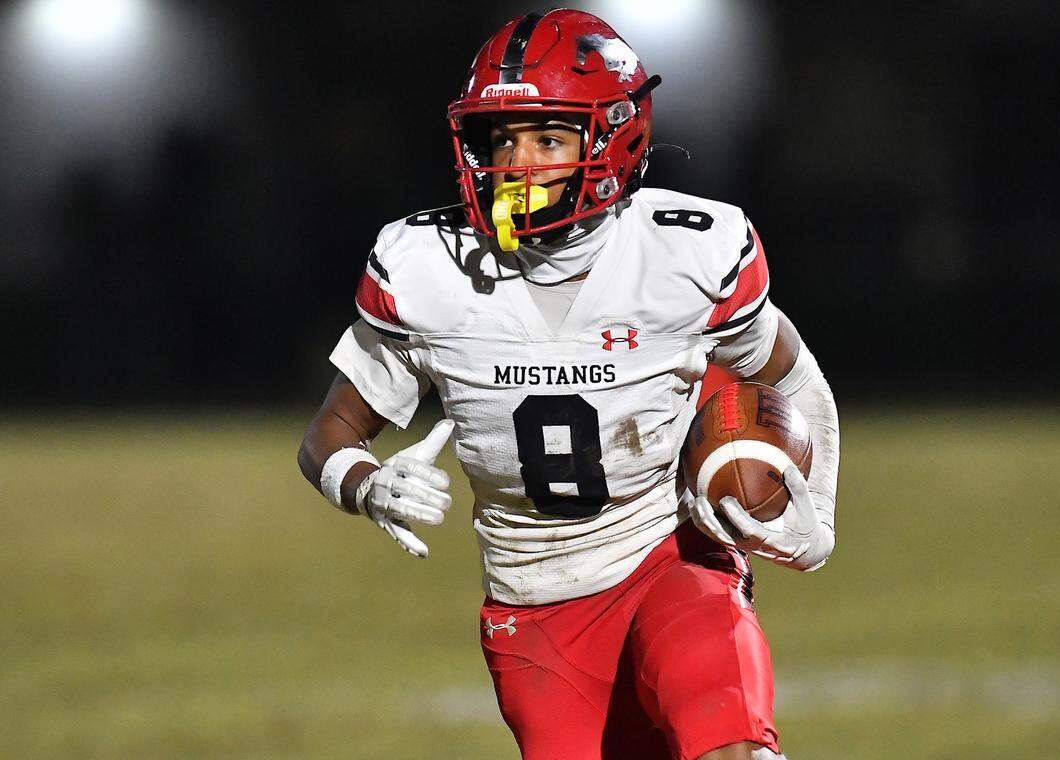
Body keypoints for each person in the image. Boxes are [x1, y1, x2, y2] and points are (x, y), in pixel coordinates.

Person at [297, 9, 839, 760]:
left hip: (669, 558)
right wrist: (365, 484)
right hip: (533, 602)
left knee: (732, 748)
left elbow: (789, 371)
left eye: (548, 137)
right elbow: (330, 436)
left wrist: (818, 514)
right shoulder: (426, 266)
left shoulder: (684, 254)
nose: (518, 163)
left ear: (614, 138)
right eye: (502, 138)